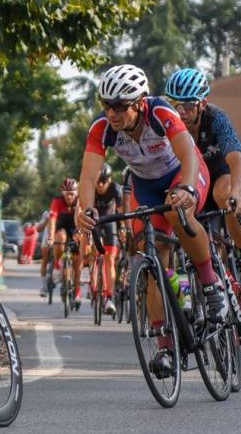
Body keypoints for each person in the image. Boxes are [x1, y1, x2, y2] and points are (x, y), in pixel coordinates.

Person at [75, 64, 219, 379]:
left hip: (184, 172)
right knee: (150, 255)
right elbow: (87, 176)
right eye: (105, 105)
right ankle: (166, 344)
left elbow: (189, 155)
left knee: (175, 211)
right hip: (146, 185)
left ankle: (211, 285)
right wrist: (85, 210)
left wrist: (189, 187)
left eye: (119, 106)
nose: (111, 113)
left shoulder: (160, 112)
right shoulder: (102, 128)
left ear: (139, 103)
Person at [164, 68, 241, 305]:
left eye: (188, 105)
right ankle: (191, 289)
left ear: (203, 103)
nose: (181, 112)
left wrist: (236, 192)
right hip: (193, 180)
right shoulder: (167, 122)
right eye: (175, 105)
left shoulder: (216, 118)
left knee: (226, 197)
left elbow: (235, 157)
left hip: (222, 173)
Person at [91, 163, 122, 315]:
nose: (101, 184)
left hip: (110, 221)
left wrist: (124, 229)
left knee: (110, 259)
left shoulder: (115, 188)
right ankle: (89, 269)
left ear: (110, 180)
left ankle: (109, 297)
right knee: (88, 247)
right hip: (94, 221)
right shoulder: (90, 188)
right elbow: (80, 208)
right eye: (98, 181)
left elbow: (122, 211)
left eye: (104, 180)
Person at [48, 178, 84, 308]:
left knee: (78, 261)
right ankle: (58, 266)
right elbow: (52, 220)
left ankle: (78, 291)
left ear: (76, 192)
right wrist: (50, 237)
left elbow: (82, 219)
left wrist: (80, 233)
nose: (69, 196)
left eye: (72, 193)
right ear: (62, 193)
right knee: (60, 238)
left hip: (75, 229)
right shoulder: (57, 201)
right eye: (66, 193)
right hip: (62, 228)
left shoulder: (80, 201)